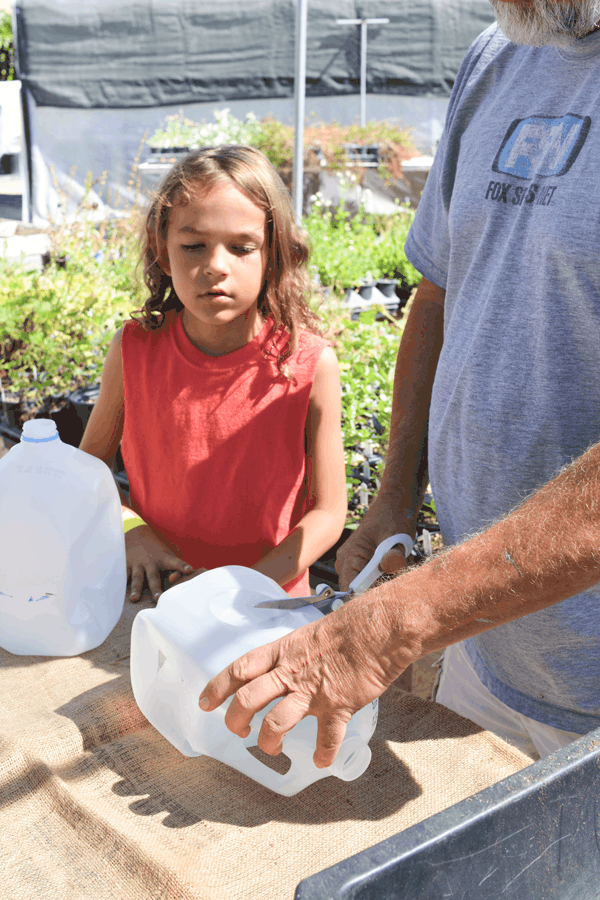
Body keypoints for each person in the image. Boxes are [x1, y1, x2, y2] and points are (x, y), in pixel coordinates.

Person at [197, 0, 600, 766]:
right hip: (484, 651)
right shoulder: (501, 55)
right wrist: (395, 497)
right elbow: (441, 293)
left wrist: (394, 624)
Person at [80, 145, 347, 601]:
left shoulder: (310, 364)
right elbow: (86, 470)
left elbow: (328, 514)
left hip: (267, 603)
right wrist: (130, 530)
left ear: (274, 254)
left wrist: (241, 588)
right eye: (193, 246)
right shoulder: (134, 349)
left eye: (242, 247)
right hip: (155, 595)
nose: (215, 266)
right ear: (163, 254)